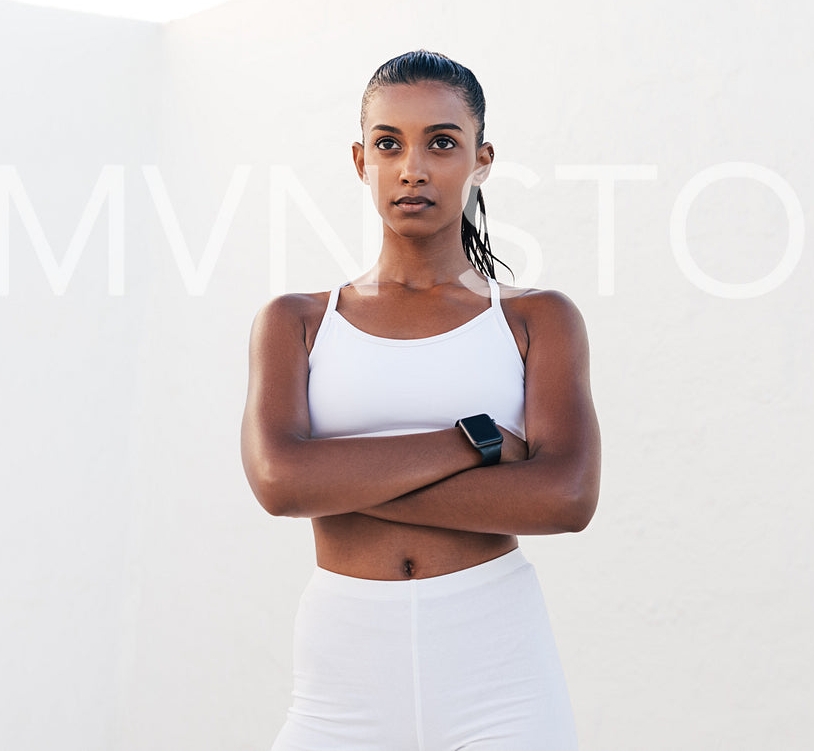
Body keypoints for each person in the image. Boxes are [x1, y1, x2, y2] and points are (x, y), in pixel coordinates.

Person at [241, 49, 602, 750]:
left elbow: (565, 499)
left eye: (442, 142)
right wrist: (473, 443)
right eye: (387, 144)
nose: (412, 167)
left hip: (497, 666)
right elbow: (280, 484)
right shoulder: (295, 321)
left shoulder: (536, 318)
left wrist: (331, 479)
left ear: (481, 158)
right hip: (343, 667)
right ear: (359, 160)